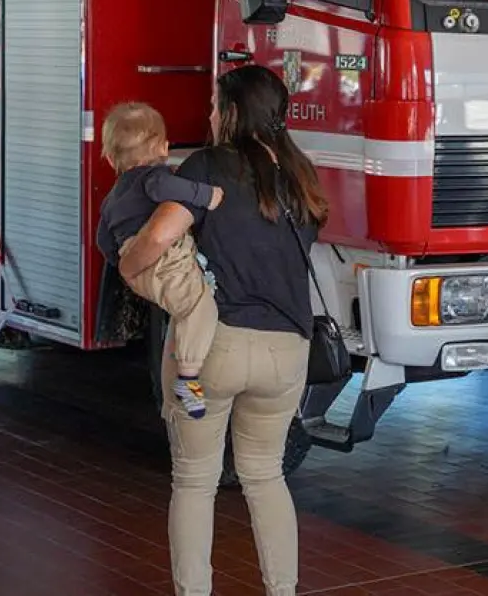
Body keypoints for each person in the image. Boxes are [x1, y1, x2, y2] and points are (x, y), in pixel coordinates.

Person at [117, 66, 329, 596]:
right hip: (287, 351)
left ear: (233, 112)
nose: (210, 115)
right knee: (266, 476)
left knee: (194, 481)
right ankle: (283, 590)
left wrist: (128, 265)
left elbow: (159, 235)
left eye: (215, 106)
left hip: (213, 350)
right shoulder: (301, 174)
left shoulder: (208, 165)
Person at [97, 103, 225, 419]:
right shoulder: (153, 178)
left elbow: (103, 239)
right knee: (200, 309)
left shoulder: (112, 197)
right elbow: (167, 188)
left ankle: (183, 365)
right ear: (164, 149)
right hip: (160, 257)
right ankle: (189, 378)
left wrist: (123, 264)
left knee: (182, 309)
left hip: (135, 261)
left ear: (111, 159)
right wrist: (208, 195)